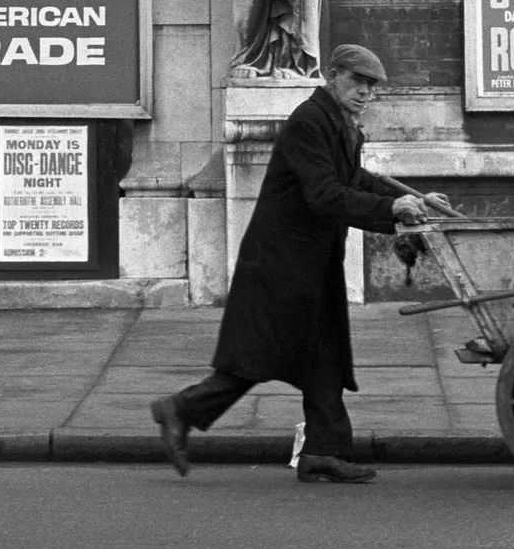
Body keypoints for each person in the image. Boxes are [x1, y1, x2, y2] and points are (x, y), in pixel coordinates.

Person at [151, 44, 449, 483]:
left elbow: (355, 180)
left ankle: (322, 453)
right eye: (357, 81)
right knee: (256, 358)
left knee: (323, 358)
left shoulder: (340, 124)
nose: (366, 93)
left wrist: (414, 201)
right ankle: (178, 409)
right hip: (282, 265)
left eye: (372, 87)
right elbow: (326, 195)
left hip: (311, 264)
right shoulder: (309, 122)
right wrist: (391, 210)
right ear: (332, 76)